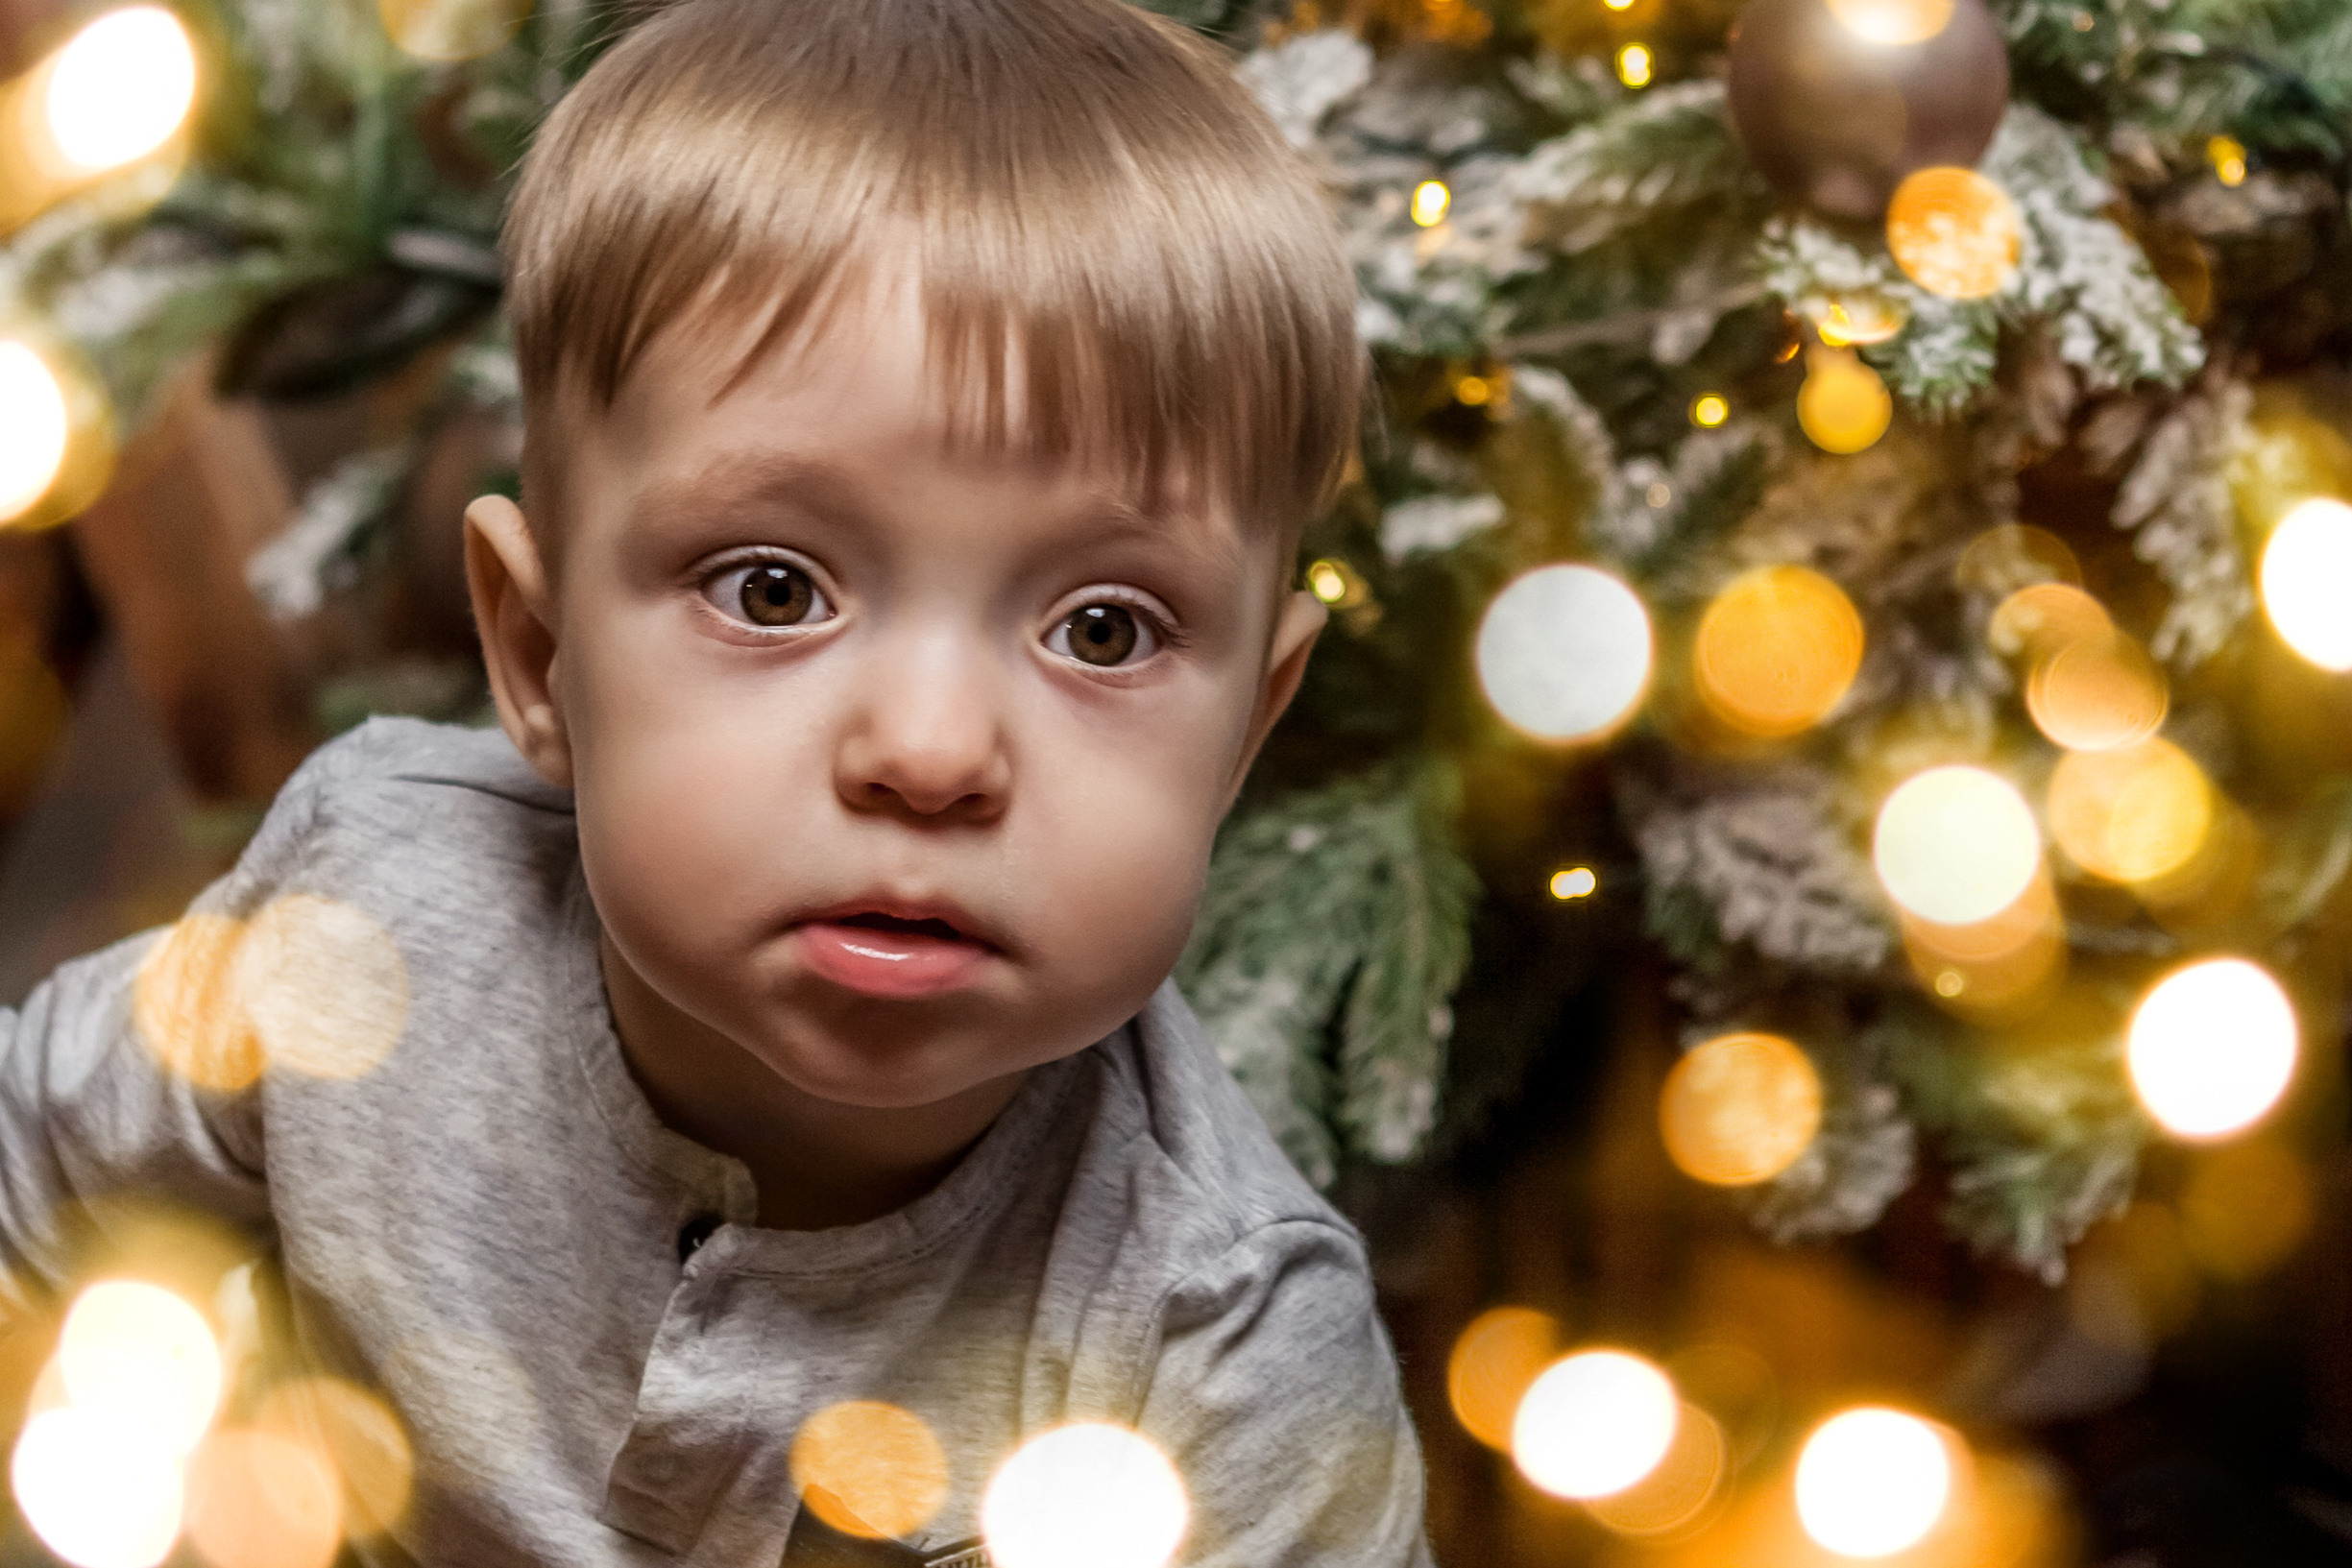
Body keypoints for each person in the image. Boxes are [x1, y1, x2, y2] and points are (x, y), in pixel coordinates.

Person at [0, 0, 1433, 1564]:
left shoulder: (1222, 1342)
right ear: (540, 654)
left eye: (1103, 629)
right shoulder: (368, 913)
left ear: (1243, 734)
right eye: (772, 589)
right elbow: (31, 1173)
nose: (931, 753)